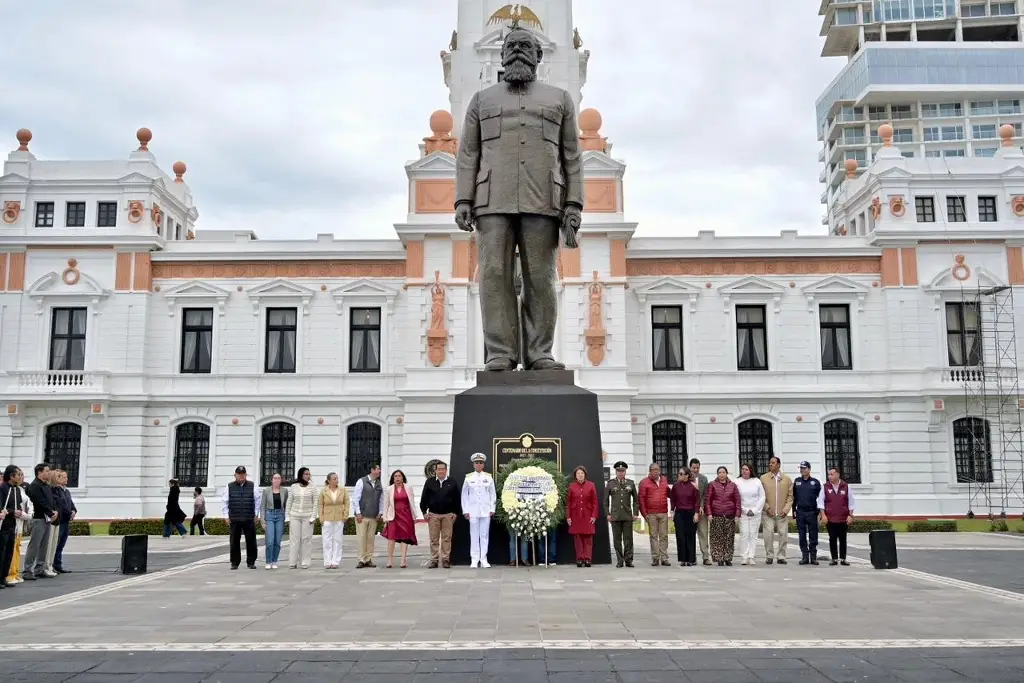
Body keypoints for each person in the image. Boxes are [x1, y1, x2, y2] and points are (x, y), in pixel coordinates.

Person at [419, 461, 460, 569]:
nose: (441, 471)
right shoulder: (430, 482)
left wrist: (455, 512)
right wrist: (424, 512)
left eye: (443, 469)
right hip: (433, 515)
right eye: (439, 469)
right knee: (434, 539)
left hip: (447, 515)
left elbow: (457, 499)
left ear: (446, 470)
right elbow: (424, 498)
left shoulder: (452, 482)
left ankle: (445, 559)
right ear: (435, 471)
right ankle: (434, 560)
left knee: (447, 538)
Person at [221, 465, 260, 570]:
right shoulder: (229, 486)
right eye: (239, 474)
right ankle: (234, 562)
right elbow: (225, 502)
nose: (241, 476)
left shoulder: (252, 486)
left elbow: (257, 500)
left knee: (251, 541)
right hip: (235, 518)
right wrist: (225, 516)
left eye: (243, 474)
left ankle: (251, 562)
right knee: (234, 541)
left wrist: (256, 514)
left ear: (246, 475)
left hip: (249, 518)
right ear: (235, 475)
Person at [461, 453, 497, 568]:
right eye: (476, 463)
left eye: (480, 463)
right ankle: (475, 559)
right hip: (473, 510)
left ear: (483, 464)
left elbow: (493, 494)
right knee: (474, 535)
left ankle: (484, 559)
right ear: (473, 464)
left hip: (485, 510)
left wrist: (492, 508)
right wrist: (465, 510)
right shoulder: (468, 477)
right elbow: (464, 496)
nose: (478, 464)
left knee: (484, 534)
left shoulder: (488, 477)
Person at [23, 463, 57, 580]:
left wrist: (54, 511)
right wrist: (51, 512)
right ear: (40, 472)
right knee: (34, 545)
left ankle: (39, 568)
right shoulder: (35, 486)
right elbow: (39, 502)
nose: (49, 473)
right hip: (38, 518)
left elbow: (50, 501)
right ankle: (27, 570)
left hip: (47, 518)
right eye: (47, 471)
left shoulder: (46, 485)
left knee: (44, 545)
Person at [705, 466, 741, 566]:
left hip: (729, 515)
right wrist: (709, 513)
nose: (721, 474)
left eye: (723, 472)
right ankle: (719, 558)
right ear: (717, 474)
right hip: (716, 515)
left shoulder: (733, 485)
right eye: (719, 472)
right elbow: (707, 501)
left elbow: (737, 501)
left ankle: (728, 558)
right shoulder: (712, 484)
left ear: (726, 473)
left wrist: (737, 514)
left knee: (729, 538)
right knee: (717, 538)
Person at [382, 469, 418, 569]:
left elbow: (412, 502)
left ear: (402, 478)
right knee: (391, 537)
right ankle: (389, 559)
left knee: (404, 537)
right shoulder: (389, 489)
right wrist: (385, 518)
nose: (397, 478)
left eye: (399, 476)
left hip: (406, 515)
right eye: (395, 476)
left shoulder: (408, 487)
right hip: (393, 515)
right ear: (393, 478)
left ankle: (403, 559)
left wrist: (414, 516)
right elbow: (386, 504)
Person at [605, 461, 638, 568]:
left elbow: (636, 500)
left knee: (628, 540)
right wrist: (608, 514)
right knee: (617, 539)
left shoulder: (630, 483)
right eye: (619, 471)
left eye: (622, 471)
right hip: (615, 516)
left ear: (625, 471)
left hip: (627, 515)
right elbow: (605, 501)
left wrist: (635, 513)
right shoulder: (610, 483)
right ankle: (620, 560)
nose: (620, 473)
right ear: (616, 472)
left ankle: (628, 560)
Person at [760, 456, 793, 565]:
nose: (770, 464)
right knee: (768, 534)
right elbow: (760, 495)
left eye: (773, 463)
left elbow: (790, 496)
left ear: (779, 465)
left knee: (783, 535)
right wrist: (766, 507)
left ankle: (781, 556)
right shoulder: (763, 478)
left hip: (782, 513)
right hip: (768, 513)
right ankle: (769, 556)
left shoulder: (787, 479)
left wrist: (786, 509)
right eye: (770, 463)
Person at [819, 467, 855, 566]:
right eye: (829, 474)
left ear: (838, 474)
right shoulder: (825, 487)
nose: (829, 476)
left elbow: (851, 502)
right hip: (830, 518)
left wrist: (850, 515)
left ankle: (843, 558)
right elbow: (821, 502)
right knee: (832, 538)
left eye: (832, 474)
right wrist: (823, 515)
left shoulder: (846, 486)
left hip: (843, 518)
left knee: (843, 538)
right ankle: (834, 558)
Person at [351, 464, 385, 569]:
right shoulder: (361, 481)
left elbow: (381, 500)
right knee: (362, 538)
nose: (379, 471)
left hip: (373, 516)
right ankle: (361, 559)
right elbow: (355, 498)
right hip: (363, 515)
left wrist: (380, 512)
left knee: (371, 539)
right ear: (372, 470)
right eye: (378, 469)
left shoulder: (379, 484)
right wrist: (358, 513)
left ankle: (369, 559)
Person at [638, 463, 671, 567]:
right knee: (653, 536)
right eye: (654, 469)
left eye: (658, 469)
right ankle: (655, 558)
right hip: (651, 514)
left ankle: (664, 558)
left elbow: (669, 493)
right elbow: (641, 499)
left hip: (663, 512)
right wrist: (644, 514)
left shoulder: (664, 480)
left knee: (664, 536)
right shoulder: (644, 482)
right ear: (650, 471)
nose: (656, 471)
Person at [0, 465, 27, 588]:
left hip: (13, 525)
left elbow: (19, 505)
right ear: (11, 476)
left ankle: (4, 577)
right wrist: (12, 512)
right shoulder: (3, 488)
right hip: (4, 525)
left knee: (9, 552)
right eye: (18, 475)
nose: (20, 477)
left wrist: (19, 512)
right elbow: (2, 506)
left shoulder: (16, 490)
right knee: (2, 551)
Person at [286, 467, 317, 569]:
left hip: (307, 516)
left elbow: (315, 502)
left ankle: (305, 562)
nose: (308, 476)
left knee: (306, 539)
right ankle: (293, 562)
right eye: (306, 474)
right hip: (294, 515)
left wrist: (313, 516)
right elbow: (289, 501)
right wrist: (287, 516)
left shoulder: (312, 487)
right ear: (301, 475)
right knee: (295, 539)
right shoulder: (293, 486)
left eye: (309, 474)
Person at [566, 465, 598, 567]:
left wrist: (594, 516)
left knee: (588, 538)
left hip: (587, 515)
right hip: (575, 515)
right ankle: (579, 558)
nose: (580, 475)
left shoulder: (591, 485)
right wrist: (568, 517)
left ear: (585, 475)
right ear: (575, 475)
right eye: (578, 473)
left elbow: (595, 502)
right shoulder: (571, 486)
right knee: (578, 538)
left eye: (582, 473)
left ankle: (588, 559)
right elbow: (568, 503)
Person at [793, 460, 823, 565]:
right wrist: (793, 510)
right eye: (801, 468)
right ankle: (805, 556)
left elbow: (821, 498)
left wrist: (819, 512)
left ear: (809, 469)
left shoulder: (815, 482)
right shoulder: (797, 481)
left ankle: (813, 557)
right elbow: (794, 497)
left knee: (813, 535)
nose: (802, 470)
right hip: (800, 512)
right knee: (802, 535)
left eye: (804, 468)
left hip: (812, 512)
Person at [735, 464, 765, 566]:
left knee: (753, 535)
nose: (744, 471)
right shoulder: (737, 481)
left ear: (750, 470)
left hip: (755, 513)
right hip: (743, 512)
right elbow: (736, 498)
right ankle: (744, 557)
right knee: (744, 534)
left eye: (746, 469)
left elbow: (762, 497)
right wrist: (745, 510)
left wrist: (755, 510)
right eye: (742, 469)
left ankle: (751, 556)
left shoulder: (757, 481)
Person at [319, 472, 351, 570]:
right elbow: (320, 505)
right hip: (327, 518)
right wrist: (321, 518)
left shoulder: (343, 490)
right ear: (329, 481)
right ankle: (327, 561)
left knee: (337, 539)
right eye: (334, 479)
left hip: (339, 517)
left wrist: (345, 515)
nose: (336, 480)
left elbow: (347, 502)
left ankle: (335, 561)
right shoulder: (323, 491)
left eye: (337, 478)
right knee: (327, 540)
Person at [669, 468, 700, 567]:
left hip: (690, 512)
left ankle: (691, 559)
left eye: (681, 474)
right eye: (679, 473)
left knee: (690, 536)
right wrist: (672, 510)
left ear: (687, 475)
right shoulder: (676, 486)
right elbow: (673, 499)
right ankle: (683, 559)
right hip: (679, 513)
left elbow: (697, 501)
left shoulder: (693, 486)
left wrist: (696, 513)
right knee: (680, 536)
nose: (679, 475)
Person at [5, 474, 31, 586]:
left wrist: (29, 514)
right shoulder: (10, 490)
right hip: (14, 522)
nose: (22, 478)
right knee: (10, 549)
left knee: (17, 549)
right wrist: (24, 514)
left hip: (20, 522)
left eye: (22, 475)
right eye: (19, 475)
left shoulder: (21, 490)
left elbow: (27, 504)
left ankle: (15, 572)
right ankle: (9, 574)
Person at [260, 473, 288, 570]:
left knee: (277, 540)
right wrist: (262, 521)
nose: (276, 480)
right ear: (271, 480)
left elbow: (285, 505)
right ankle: (268, 561)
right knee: (270, 540)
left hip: (280, 515)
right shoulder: (266, 491)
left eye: (278, 478)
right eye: (275, 478)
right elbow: (262, 506)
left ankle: (274, 561)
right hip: (269, 514)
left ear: (281, 480)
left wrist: (284, 516)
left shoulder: (284, 491)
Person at [52, 470, 77, 574]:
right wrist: (68, 513)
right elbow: (61, 505)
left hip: (66, 520)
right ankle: (53, 564)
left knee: (61, 544)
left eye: (66, 477)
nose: (66, 479)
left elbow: (70, 503)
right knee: (56, 544)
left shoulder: (66, 491)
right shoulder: (56, 490)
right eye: (63, 477)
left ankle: (58, 564)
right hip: (61, 520)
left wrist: (74, 511)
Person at [689, 458, 711, 566]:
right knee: (690, 535)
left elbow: (705, 495)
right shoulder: (685, 478)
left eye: (697, 467)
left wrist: (701, 506)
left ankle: (706, 557)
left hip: (701, 512)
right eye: (694, 468)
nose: (696, 470)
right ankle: (691, 558)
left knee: (703, 533)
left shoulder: (704, 479)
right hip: (689, 510)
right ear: (690, 467)